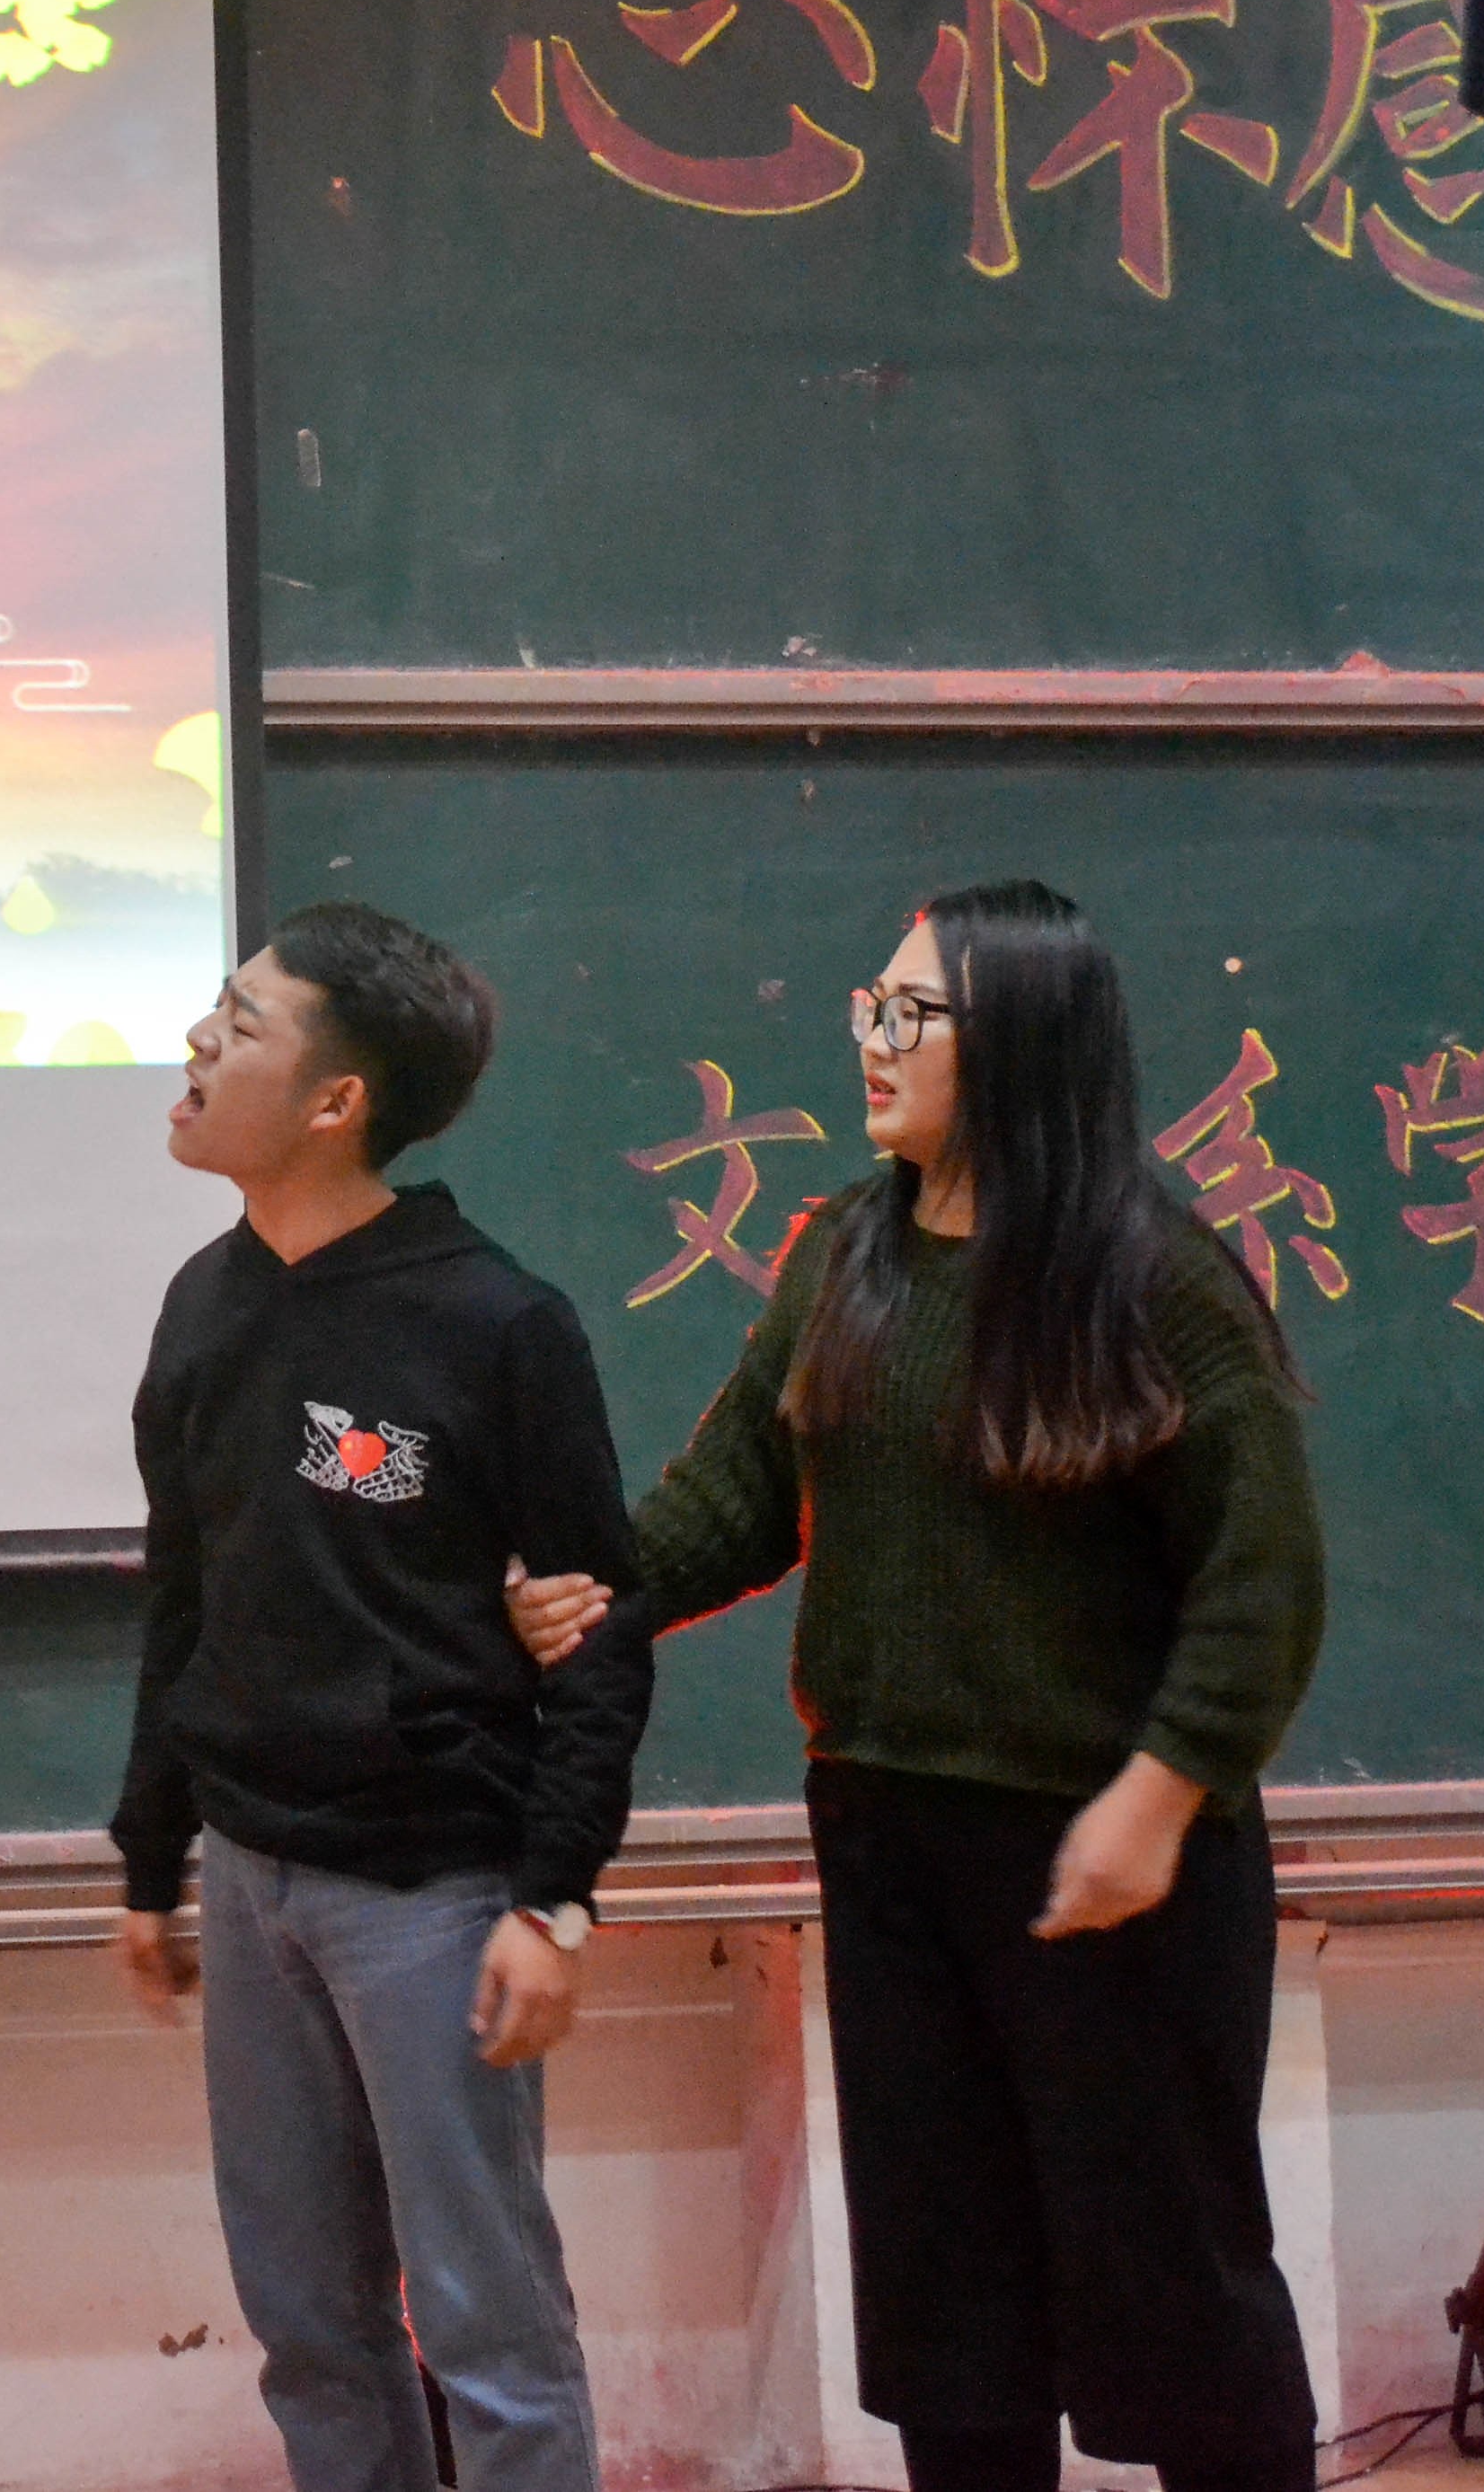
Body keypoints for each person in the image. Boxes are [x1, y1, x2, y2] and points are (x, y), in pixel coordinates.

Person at [508, 879, 1326, 2492]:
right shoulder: (846, 1250)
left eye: (909, 1014)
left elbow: (1262, 1580)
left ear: (1017, 1036)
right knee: (950, 2300)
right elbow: (738, 1492)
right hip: (886, 1835)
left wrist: (1158, 1794)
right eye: (865, 1008)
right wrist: (599, 1590)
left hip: (1105, 1859)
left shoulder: (1152, 1278)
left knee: (1170, 2290)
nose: (871, 1042)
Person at [111, 902, 657, 2492]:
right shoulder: (204, 1304)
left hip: (433, 1892)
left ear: (335, 1102)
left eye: (240, 1025)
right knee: (307, 2322)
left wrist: (553, 1898)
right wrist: (150, 1857)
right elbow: (183, 1595)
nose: (196, 1044)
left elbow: (598, 1628)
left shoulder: (493, 1322)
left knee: (488, 2324)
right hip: (250, 1875)